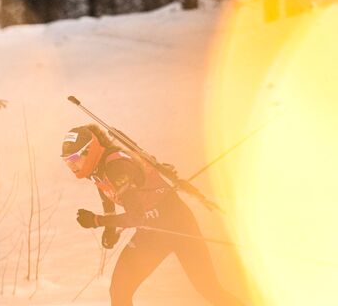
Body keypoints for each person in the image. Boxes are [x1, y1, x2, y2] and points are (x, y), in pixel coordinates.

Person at [61, 124, 244, 306]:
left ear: (89, 151)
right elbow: (106, 190)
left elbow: (136, 217)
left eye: (74, 159)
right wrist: (110, 227)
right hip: (153, 231)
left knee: (209, 289)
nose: (72, 166)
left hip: (176, 223)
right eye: (67, 161)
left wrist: (97, 220)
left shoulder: (117, 167)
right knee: (119, 290)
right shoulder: (97, 166)